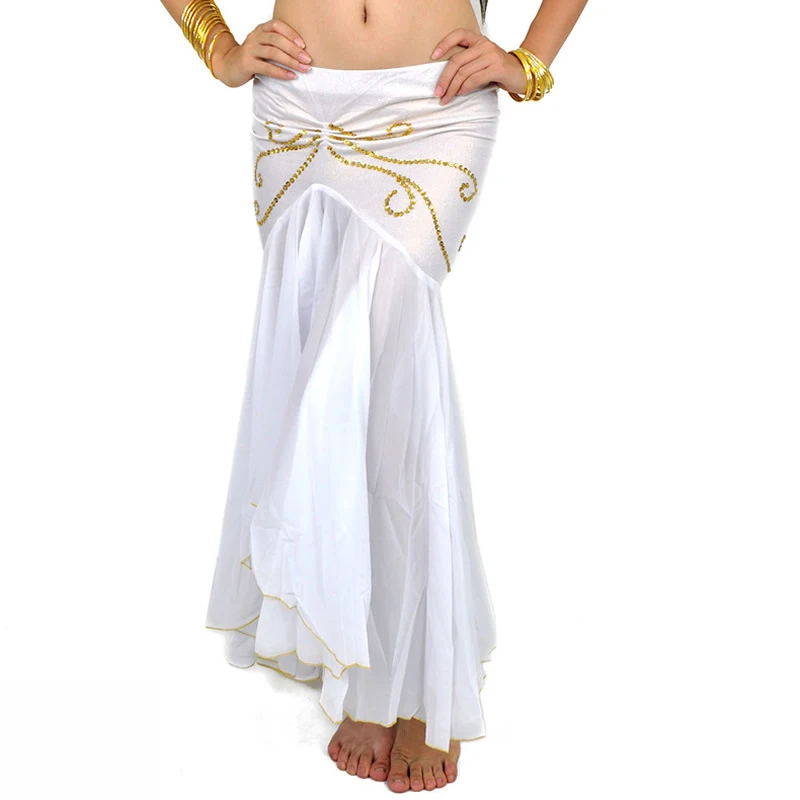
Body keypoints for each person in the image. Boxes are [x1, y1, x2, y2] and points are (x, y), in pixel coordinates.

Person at [160, 0, 588, 792]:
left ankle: (413, 682)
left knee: (398, 388)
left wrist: (529, 62)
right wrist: (215, 45)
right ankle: (363, 661)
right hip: (298, 102)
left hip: (435, 103)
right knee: (323, 384)